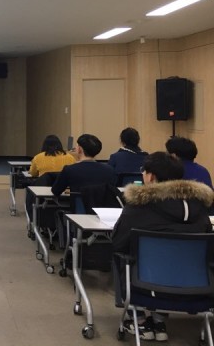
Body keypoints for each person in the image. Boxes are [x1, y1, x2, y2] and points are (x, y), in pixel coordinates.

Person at [112, 151, 214, 341]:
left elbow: (118, 243)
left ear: (150, 177)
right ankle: (159, 320)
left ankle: (140, 320)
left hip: (146, 288)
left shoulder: (138, 207)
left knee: (123, 257)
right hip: (197, 291)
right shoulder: (200, 207)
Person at [51, 134, 118, 198]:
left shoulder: (69, 170)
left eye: (77, 146)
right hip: (102, 206)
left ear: (80, 149)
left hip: (79, 206)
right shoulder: (109, 170)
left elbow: (55, 191)